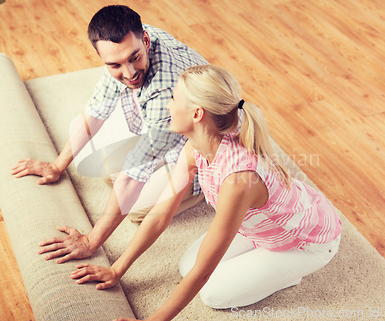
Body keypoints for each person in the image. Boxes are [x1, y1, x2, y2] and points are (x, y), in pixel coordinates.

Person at [69, 65, 343, 321]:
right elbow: (161, 213)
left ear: (197, 114)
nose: (168, 104)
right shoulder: (195, 147)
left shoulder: (238, 180)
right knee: (187, 267)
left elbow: (203, 274)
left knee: (213, 294)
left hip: (307, 243)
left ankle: (288, 276)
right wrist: (117, 269)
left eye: (174, 98)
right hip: (260, 229)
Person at [11, 5, 207, 263]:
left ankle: (202, 190)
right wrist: (57, 166)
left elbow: (133, 177)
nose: (128, 73)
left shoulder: (165, 91)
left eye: (134, 58)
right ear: (99, 53)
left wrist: (90, 240)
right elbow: (97, 109)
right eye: (115, 64)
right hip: (163, 132)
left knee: (136, 209)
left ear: (145, 41)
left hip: (198, 151)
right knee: (103, 167)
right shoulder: (126, 40)